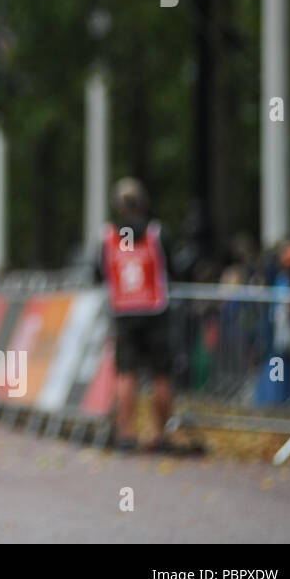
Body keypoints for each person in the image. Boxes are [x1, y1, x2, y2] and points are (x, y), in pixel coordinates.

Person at [99, 177, 176, 452]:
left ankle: (126, 435)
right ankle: (162, 435)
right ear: (144, 203)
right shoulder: (157, 233)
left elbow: (98, 273)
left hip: (124, 312)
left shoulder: (108, 236)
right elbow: (174, 268)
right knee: (161, 374)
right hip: (156, 310)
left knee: (126, 374)